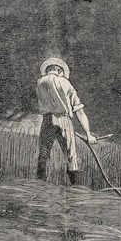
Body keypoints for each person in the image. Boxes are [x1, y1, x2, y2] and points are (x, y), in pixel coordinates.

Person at [35, 57, 97, 185]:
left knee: (44, 154)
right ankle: (74, 188)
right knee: (71, 156)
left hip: (47, 121)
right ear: (59, 70)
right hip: (64, 120)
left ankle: (40, 185)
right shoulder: (65, 83)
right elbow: (79, 111)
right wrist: (88, 134)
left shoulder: (40, 82)